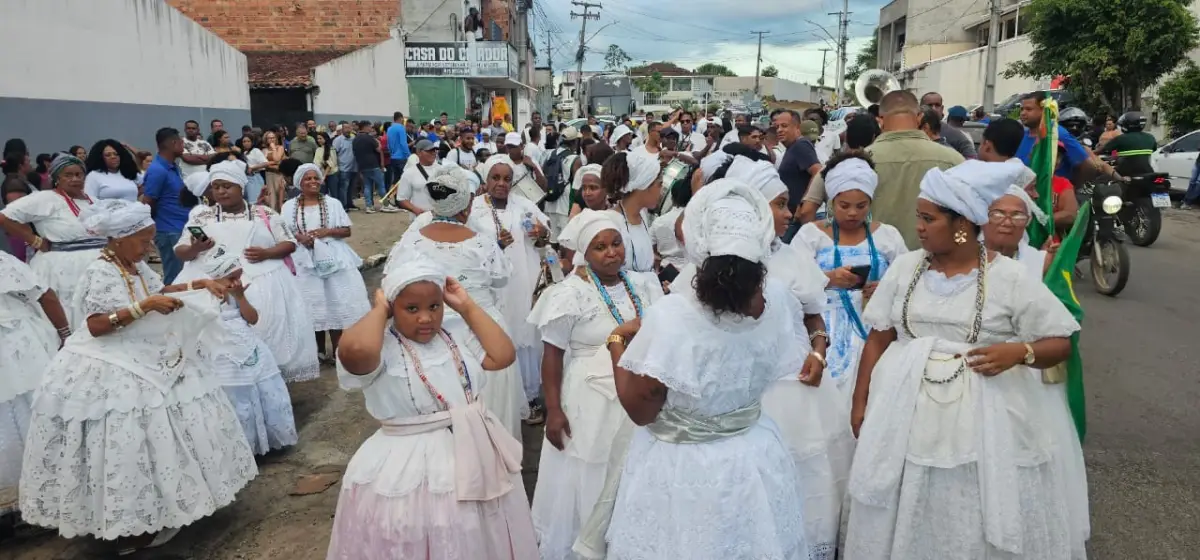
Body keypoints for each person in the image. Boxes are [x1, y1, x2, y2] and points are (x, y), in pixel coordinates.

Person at [845, 159, 1083, 558]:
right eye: (919, 217)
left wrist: (1019, 352)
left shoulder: (1010, 277)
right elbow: (878, 337)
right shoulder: (906, 268)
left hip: (988, 420)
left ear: (961, 225)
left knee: (969, 498)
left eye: (928, 218)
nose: (918, 226)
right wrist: (860, 400)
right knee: (905, 492)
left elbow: (1059, 343)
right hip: (902, 411)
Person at [593, 179, 816, 560]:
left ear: (698, 240)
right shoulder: (777, 299)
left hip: (686, 467)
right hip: (754, 455)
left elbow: (640, 409)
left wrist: (617, 341)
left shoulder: (674, 316)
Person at [19, 199, 257, 553]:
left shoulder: (134, 266)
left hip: (144, 349)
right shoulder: (100, 271)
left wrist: (202, 284)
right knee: (129, 433)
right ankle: (129, 520)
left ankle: (160, 509)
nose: (149, 247)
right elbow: (97, 325)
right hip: (111, 360)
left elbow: (157, 291)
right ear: (118, 239)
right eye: (143, 240)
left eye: (150, 239)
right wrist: (141, 307)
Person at [327, 249, 536, 559]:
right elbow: (355, 354)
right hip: (407, 462)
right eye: (411, 308)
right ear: (391, 307)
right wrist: (380, 311)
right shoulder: (382, 348)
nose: (425, 318)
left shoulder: (455, 337)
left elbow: (502, 354)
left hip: (473, 449)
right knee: (420, 528)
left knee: (473, 532)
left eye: (434, 306)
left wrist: (466, 307)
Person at [528, 210, 664, 558]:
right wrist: (554, 410)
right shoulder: (569, 293)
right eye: (600, 247)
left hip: (639, 391)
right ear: (584, 254)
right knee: (593, 469)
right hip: (590, 400)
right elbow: (553, 356)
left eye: (616, 243)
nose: (611, 253)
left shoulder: (645, 284)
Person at [981, 188, 1090, 558]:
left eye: (1017, 215)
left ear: (1028, 222)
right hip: (984, 372)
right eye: (998, 213)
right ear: (983, 217)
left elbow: (1061, 318)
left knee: (1032, 457)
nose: (1007, 222)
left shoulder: (1041, 261)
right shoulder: (969, 258)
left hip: (1030, 374)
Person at [390, 166, 527, 439]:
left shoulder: (411, 240)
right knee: (489, 407)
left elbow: (393, 281)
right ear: (466, 205)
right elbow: (501, 278)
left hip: (429, 330)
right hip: (482, 332)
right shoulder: (481, 243)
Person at [175, 159, 320, 383]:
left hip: (265, 282)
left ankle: (268, 382)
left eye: (227, 186)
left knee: (269, 335)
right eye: (216, 187)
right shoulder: (200, 217)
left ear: (240, 187)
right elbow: (181, 251)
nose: (221, 192)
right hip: (213, 286)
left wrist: (268, 253)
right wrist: (196, 248)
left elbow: (289, 243)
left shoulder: (264, 213)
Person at [793, 153, 908, 408]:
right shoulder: (811, 235)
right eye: (844, 205)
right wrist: (827, 278)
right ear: (832, 201)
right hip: (823, 329)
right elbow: (792, 282)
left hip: (875, 329)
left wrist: (887, 288)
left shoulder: (888, 236)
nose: (853, 213)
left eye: (861, 206)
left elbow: (909, 279)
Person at [801, 91, 964, 249]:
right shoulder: (954, 160)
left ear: (880, 120)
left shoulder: (850, 164)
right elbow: (965, 224)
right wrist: (959, 248)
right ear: (920, 117)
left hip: (868, 268)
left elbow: (818, 214)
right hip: (932, 268)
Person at [469, 156, 552, 421]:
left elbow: (546, 239)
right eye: (496, 177)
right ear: (486, 178)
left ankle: (528, 398)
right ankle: (494, 400)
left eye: (507, 179)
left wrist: (541, 233)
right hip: (489, 287)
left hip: (522, 282)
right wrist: (496, 245)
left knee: (524, 336)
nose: (502, 184)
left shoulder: (525, 205)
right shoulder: (473, 211)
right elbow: (468, 248)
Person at [0, 250, 69, 521]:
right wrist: (66, 334)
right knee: (37, 411)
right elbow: (45, 294)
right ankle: (51, 490)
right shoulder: (3, 261)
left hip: (17, 344)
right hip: (20, 347)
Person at [281, 163, 371, 364]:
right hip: (304, 260)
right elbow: (283, 232)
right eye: (308, 179)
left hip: (333, 257)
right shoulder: (288, 207)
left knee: (335, 302)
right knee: (313, 305)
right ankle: (318, 352)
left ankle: (339, 351)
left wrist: (326, 232)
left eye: (316, 178)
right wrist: (299, 238)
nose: (313, 182)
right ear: (299, 183)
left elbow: (346, 231)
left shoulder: (333, 203)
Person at [0, 154, 104, 326]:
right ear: (57, 178)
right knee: (70, 315)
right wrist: (34, 240)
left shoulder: (93, 201)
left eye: (79, 175)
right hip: (63, 269)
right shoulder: (46, 199)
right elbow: (4, 217)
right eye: (68, 175)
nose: (75, 179)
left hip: (97, 266)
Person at [1017, 92, 1119, 181]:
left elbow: (1087, 166)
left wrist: (1072, 187)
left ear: (1043, 110)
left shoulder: (1057, 134)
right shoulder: (1021, 135)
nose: (1023, 113)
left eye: (1028, 109)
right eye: (1021, 109)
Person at [601, 151, 662, 283]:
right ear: (644, 185)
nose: (661, 191)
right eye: (659, 185)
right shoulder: (610, 223)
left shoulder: (642, 216)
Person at [773, 110, 823, 241]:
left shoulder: (801, 145)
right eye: (777, 127)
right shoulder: (792, 148)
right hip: (791, 215)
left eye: (784, 126)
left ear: (797, 128)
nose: (779, 130)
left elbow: (817, 171)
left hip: (797, 217)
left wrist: (804, 204)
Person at [1097, 111, 1157, 178]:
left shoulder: (1120, 138)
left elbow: (1103, 151)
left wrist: (1090, 153)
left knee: (1102, 178)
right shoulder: (1150, 137)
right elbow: (1153, 149)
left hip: (1125, 173)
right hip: (1148, 172)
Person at [920, 93, 977, 159]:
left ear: (942, 108)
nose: (934, 109)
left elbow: (972, 159)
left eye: (937, 105)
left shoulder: (956, 135)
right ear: (921, 107)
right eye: (929, 105)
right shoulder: (912, 129)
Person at [395, 139, 443, 216]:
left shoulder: (443, 169)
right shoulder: (409, 173)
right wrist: (416, 210)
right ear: (419, 152)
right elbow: (401, 199)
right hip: (420, 220)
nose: (433, 153)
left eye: (434, 151)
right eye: (429, 151)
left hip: (441, 218)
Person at [354, 121, 393, 214]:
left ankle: (369, 206)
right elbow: (379, 149)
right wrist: (377, 142)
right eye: (369, 127)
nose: (371, 129)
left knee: (367, 186)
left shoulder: (355, 139)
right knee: (381, 185)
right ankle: (385, 205)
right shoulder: (369, 138)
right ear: (365, 127)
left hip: (362, 166)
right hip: (373, 164)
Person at [332, 124, 357, 211]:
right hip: (343, 168)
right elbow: (334, 153)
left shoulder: (354, 139)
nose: (348, 130)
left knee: (351, 187)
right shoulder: (338, 140)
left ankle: (350, 203)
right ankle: (343, 205)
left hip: (354, 167)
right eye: (346, 128)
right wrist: (336, 166)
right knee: (343, 188)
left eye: (349, 127)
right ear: (342, 130)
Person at [262, 130, 287, 211]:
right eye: (269, 138)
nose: (271, 140)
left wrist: (273, 148)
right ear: (266, 140)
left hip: (279, 175)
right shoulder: (264, 150)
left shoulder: (280, 148)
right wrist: (272, 164)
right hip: (269, 175)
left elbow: (277, 159)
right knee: (272, 198)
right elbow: (263, 164)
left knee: (280, 197)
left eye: (273, 138)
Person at [387, 111, 411, 185]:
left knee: (396, 179)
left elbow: (389, 144)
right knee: (405, 179)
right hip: (402, 157)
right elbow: (403, 143)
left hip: (393, 157)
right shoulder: (401, 128)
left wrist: (391, 153)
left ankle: (396, 196)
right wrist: (409, 155)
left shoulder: (389, 129)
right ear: (400, 118)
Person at [314, 131, 338, 196]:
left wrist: (324, 176)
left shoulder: (331, 149)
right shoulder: (318, 149)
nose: (319, 140)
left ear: (325, 138)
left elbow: (330, 164)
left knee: (334, 194)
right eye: (318, 139)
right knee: (322, 194)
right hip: (320, 174)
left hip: (331, 174)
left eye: (320, 138)